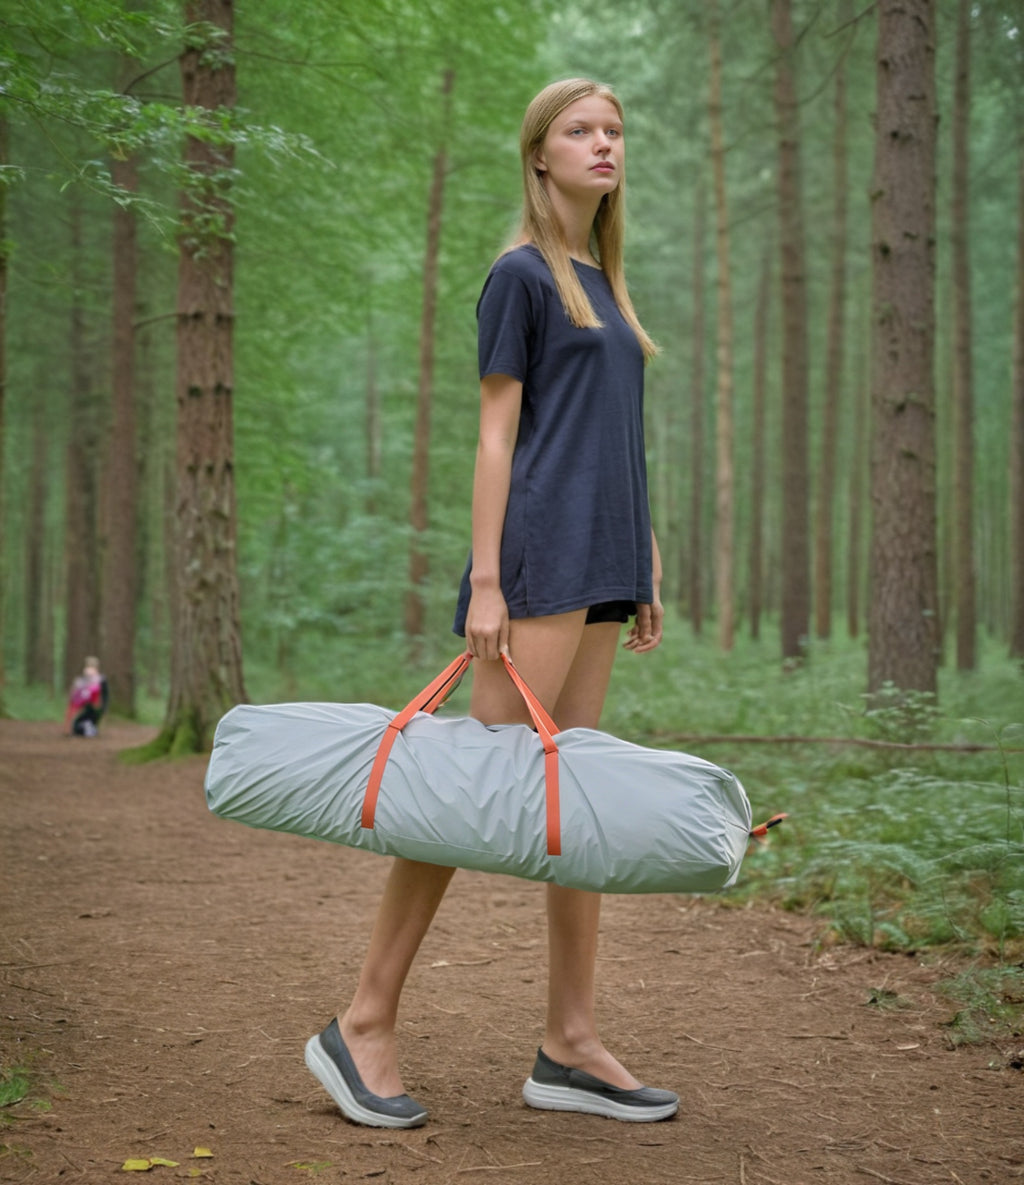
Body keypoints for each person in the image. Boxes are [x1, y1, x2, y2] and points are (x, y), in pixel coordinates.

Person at [304, 78, 676, 1128]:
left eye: (613, 131)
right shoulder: (518, 277)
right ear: (539, 155)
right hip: (537, 563)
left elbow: (614, 440)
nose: (603, 144)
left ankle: (569, 1042)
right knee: (464, 795)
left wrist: (641, 557)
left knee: (582, 813)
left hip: (602, 566)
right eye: (580, 131)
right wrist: (484, 581)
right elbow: (495, 438)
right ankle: (362, 1021)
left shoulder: (607, 282)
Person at [65, 656, 108, 737]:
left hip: (94, 708)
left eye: (92, 666)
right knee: (77, 725)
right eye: (89, 666)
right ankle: (86, 729)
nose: (90, 669)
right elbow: (74, 696)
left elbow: (104, 695)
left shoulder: (101, 680)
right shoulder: (81, 680)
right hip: (83, 707)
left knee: (88, 720)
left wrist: (103, 708)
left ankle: (89, 729)